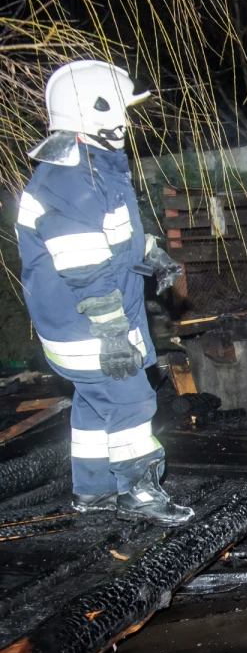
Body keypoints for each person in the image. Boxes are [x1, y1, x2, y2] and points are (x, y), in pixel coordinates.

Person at [16, 60, 191, 526]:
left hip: (89, 322)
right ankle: (139, 490)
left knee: (96, 406)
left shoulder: (90, 167)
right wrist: (113, 332)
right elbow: (84, 265)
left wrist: (151, 254)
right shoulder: (71, 179)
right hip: (90, 325)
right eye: (118, 112)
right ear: (91, 113)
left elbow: (115, 237)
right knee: (132, 401)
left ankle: (93, 493)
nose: (127, 123)